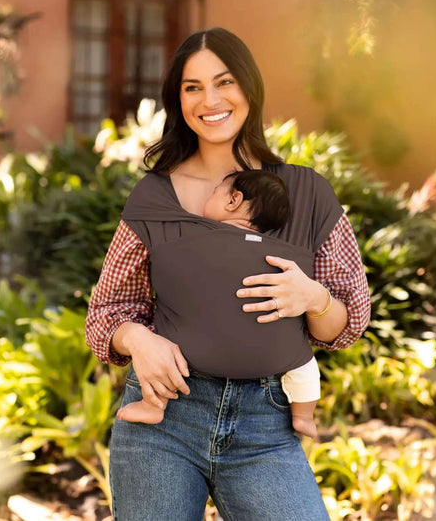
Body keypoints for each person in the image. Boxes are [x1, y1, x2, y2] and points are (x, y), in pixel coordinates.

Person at [86, 27, 371, 521]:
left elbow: (347, 324)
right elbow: (107, 312)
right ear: (178, 100)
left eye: (224, 82)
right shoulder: (153, 197)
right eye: (192, 87)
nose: (210, 100)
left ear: (249, 88)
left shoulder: (306, 193)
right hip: (163, 420)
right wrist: (139, 340)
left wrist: (313, 298)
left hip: (265, 427)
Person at [116, 169, 321, 438]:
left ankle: (154, 405)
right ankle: (304, 415)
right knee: (305, 366)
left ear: (233, 200)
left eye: (215, 192)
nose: (206, 198)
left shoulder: (195, 239)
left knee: (164, 358)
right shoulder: (289, 255)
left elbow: (167, 265)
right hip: (280, 358)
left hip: (191, 356)